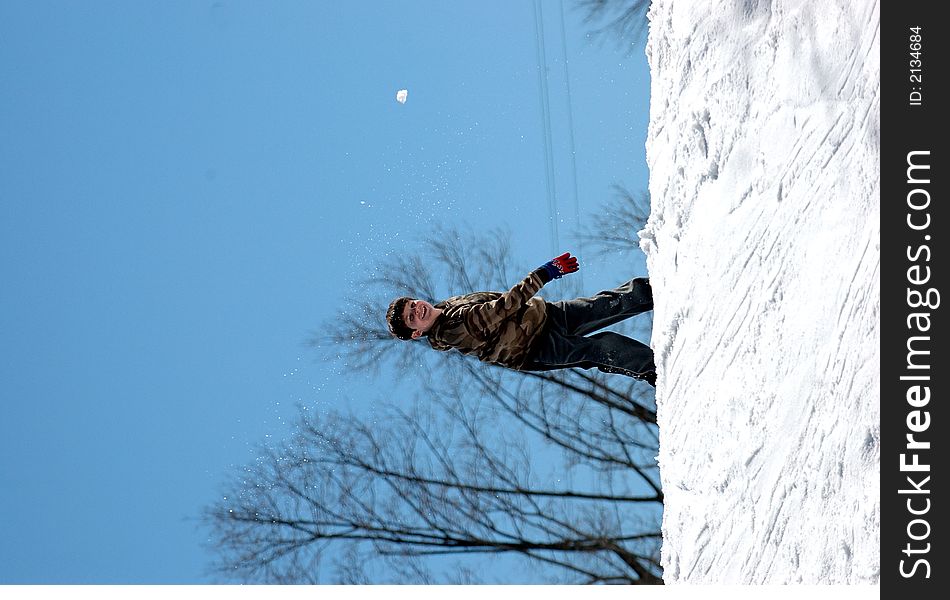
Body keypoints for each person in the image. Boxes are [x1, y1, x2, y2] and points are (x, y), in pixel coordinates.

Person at [386, 252, 657, 386]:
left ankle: (653, 288)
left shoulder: (448, 306)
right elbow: (500, 308)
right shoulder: (451, 331)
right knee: (597, 348)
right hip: (534, 348)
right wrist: (543, 274)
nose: (417, 309)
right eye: (412, 318)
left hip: (545, 315)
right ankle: (651, 369)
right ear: (416, 333)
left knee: (603, 305)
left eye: (413, 304)